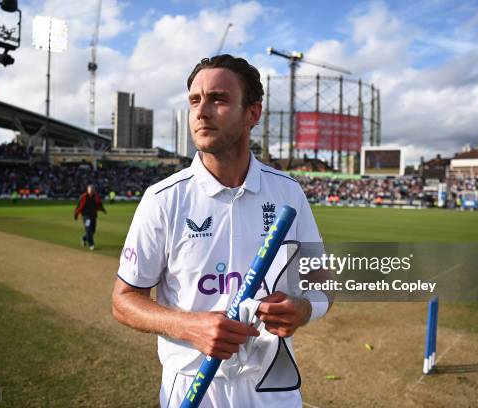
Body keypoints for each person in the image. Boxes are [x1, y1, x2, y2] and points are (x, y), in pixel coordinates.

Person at [112, 55, 332, 407]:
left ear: (253, 113)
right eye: (195, 101)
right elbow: (123, 301)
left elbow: (323, 283)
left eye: (219, 99)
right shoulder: (163, 199)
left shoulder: (288, 192)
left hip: (272, 389)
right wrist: (189, 326)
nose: (202, 112)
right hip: (193, 387)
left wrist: (305, 309)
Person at [74, 185, 106, 250]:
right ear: (88, 190)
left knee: (93, 230)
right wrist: (76, 214)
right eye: (90, 190)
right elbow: (78, 206)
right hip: (86, 216)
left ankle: (84, 238)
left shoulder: (95, 196)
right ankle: (91, 244)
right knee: (88, 229)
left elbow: (99, 203)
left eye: (93, 190)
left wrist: (103, 210)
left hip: (93, 216)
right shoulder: (83, 197)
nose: (92, 191)